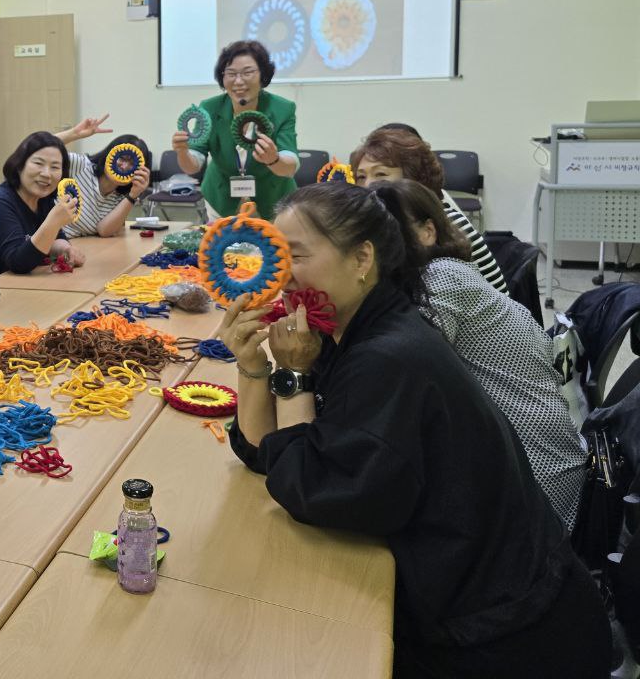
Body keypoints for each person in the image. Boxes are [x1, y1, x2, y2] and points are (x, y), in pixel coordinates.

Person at [222, 183, 610, 678]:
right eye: (275, 255)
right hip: (480, 599)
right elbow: (268, 451)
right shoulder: (353, 329)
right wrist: (252, 362)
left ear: (362, 258)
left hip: (505, 638)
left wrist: (294, 376)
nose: (279, 274)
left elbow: (314, 489)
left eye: (293, 255)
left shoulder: (389, 356)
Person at [369, 178, 587, 532]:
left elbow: (403, 377)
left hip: (534, 484)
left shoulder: (439, 280)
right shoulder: (451, 270)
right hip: (537, 456)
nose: (374, 247)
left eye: (388, 232)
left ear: (427, 232)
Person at [351, 125, 508, 294]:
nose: (367, 185)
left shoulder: (444, 222)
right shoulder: (393, 220)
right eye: (361, 177)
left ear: (412, 177)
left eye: (380, 174)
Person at [171, 40, 298, 219]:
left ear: (263, 75)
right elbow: (193, 166)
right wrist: (183, 151)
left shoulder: (282, 109)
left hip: (273, 201)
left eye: (248, 73)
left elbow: (290, 167)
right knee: (223, 246)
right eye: (231, 73)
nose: (238, 81)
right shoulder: (209, 109)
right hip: (221, 200)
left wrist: (274, 159)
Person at [0, 131, 82, 275]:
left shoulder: (44, 199)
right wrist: (53, 222)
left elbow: (56, 238)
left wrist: (65, 249)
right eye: (38, 163)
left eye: (54, 167)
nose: (46, 174)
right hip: (0, 287)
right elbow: (18, 263)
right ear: (19, 165)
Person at [56, 121, 152, 238]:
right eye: (121, 158)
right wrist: (74, 134)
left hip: (73, 246)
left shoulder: (121, 199)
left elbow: (104, 231)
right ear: (109, 154)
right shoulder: (81, 165)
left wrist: (133, 195)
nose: (124, 166)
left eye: (132, 164)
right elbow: (40, 149)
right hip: (44, 239)